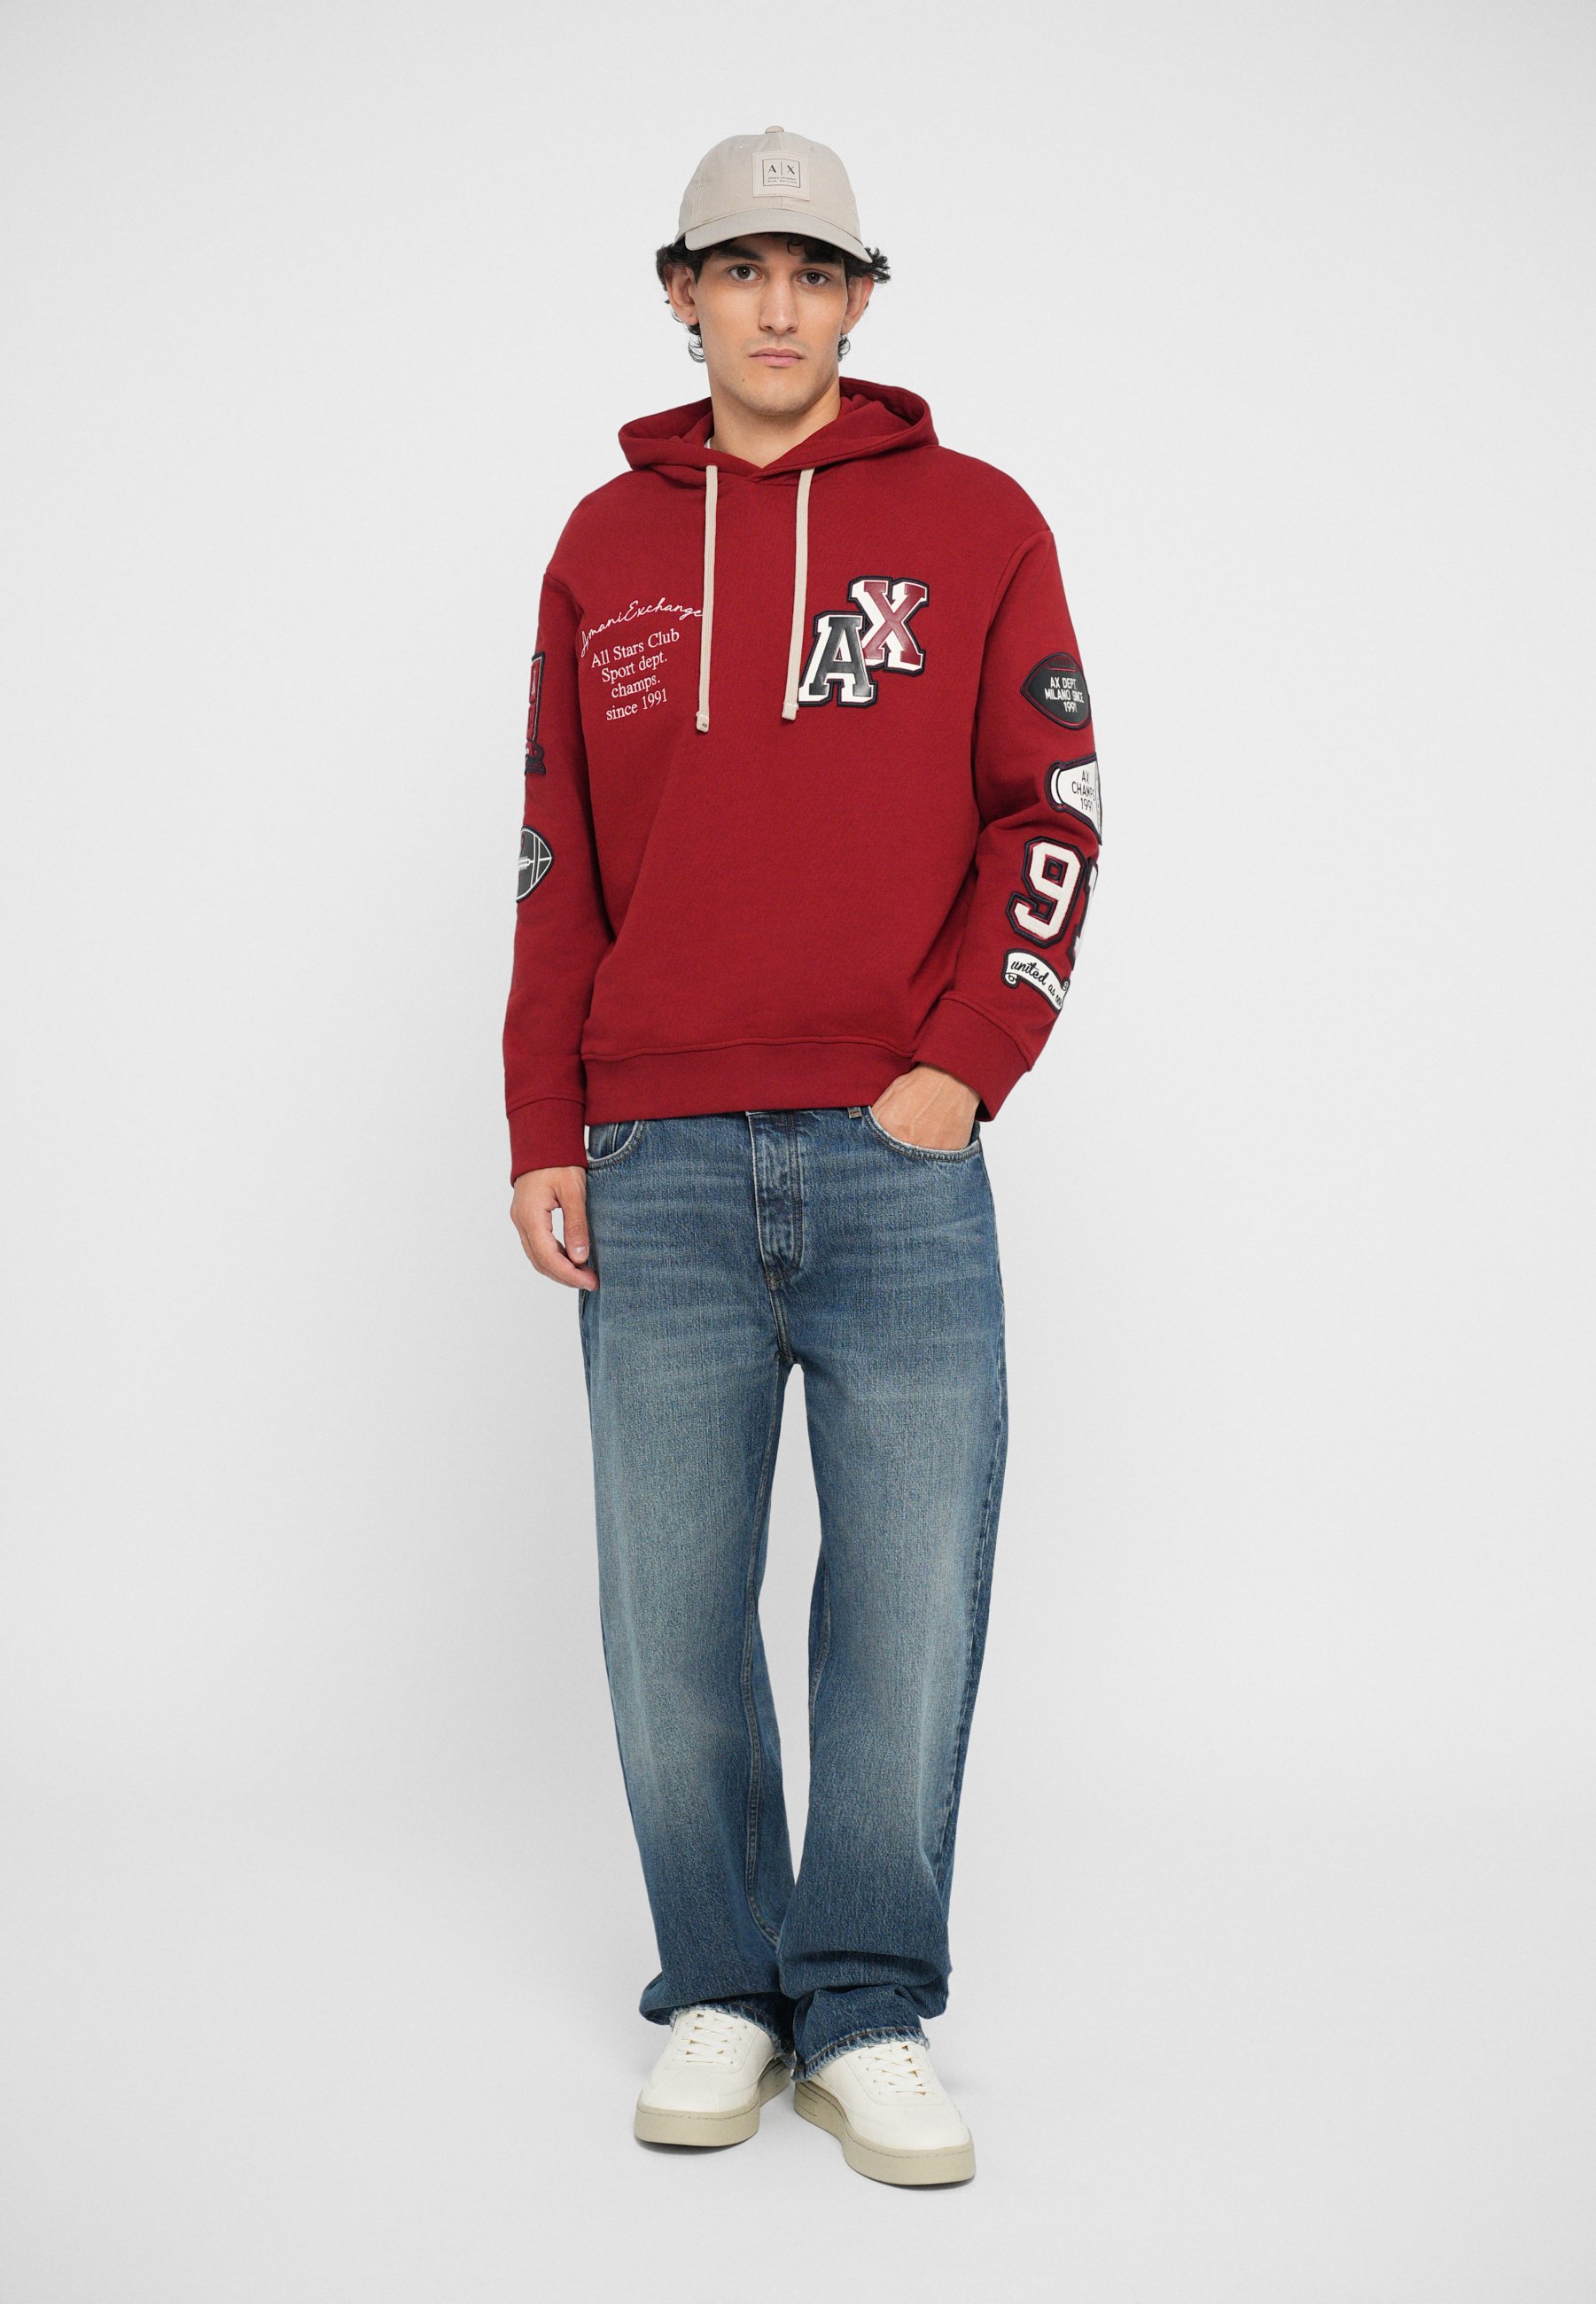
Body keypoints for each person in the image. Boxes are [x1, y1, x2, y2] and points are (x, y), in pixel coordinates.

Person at [503, 125, 1102, 2188]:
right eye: (740, 269)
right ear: (680, 293)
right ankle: (722, 1985)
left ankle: (861, 2003)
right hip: (653, 1149)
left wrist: (964, 1062)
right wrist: (543, 1120)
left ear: (859, 298)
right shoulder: (601, 543)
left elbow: (1053, 808)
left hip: (893, 1154)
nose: (778, 306)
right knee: (667, 1612)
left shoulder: (976, 521)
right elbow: (554, 852)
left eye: (816, 271)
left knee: (907, 1601)